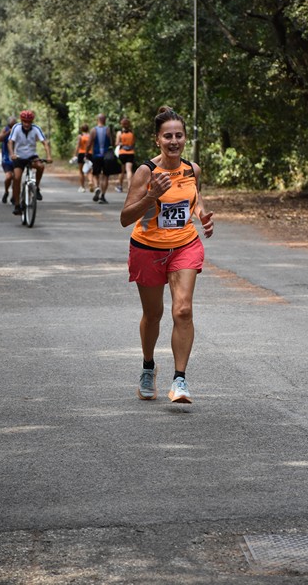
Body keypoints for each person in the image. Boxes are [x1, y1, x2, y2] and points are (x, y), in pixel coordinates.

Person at [120, 106, 214, 404]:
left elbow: (193, 198)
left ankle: (180, 380)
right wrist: (151, 196)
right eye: (168, 136)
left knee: (183, 310)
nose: (174, 141)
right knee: (154, 314)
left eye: (179, 135)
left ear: (185, 138)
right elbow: (125, 217)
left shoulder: (191, 169)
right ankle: (148, 367)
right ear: (157, 139)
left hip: (185, 245)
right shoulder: (146, 171)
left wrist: (202, 214)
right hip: (147, 249)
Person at [8, 110, 52, 216]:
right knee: (17, 178)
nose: (27, 124)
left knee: (41, 166)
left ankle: (36, 187)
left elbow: (44, 143)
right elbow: (10, 142)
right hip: (19, 156)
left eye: (29, 122)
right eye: (25, 122)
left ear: (32, 121)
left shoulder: (36, 129)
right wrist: (12, 154)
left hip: (31, 156)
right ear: (22, 121)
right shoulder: (16, 128)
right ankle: (17, 205)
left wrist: (49, 156)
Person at [85, 114, 112, 204]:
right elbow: (111, 143)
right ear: (105, 120)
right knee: (105, 176)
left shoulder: (93, 130)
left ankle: (97, 187)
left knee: (95, 174)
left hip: (96, 155)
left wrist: (86, 153)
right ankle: (103, 196)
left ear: (97, 120)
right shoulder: (107, 129)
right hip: (106, 156)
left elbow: (89, 143)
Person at [0, 116, 17, 204]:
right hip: (7, 159)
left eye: (14, 124)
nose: (13, 126)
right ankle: (6, 191)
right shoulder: (5, 129)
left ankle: (14, 196)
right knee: (9, 177)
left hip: (17, 158)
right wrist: (8, 131)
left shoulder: (19, 130)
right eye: (11, 125)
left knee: (16, 178)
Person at [115, 117, 135, 192]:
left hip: (122, 153)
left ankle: (120, 186)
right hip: (131, 153)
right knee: (129, 170)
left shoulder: (119, 133)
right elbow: (133, 143)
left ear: (121, 124)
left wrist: (121, 143)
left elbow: (116, 143)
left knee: (122, 171)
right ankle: (130, 187)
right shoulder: (132, 132)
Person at [73, 123, 93, 192]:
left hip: (81, 153)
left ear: (81, 129)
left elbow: (78, 146)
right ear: (88, 129)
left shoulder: (80, 136)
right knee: (89, 170)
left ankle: (82, 187)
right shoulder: (90, 136)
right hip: (89, 154)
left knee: (81, 171)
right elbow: (92, 145)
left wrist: (75, 155)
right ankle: (90, 181)